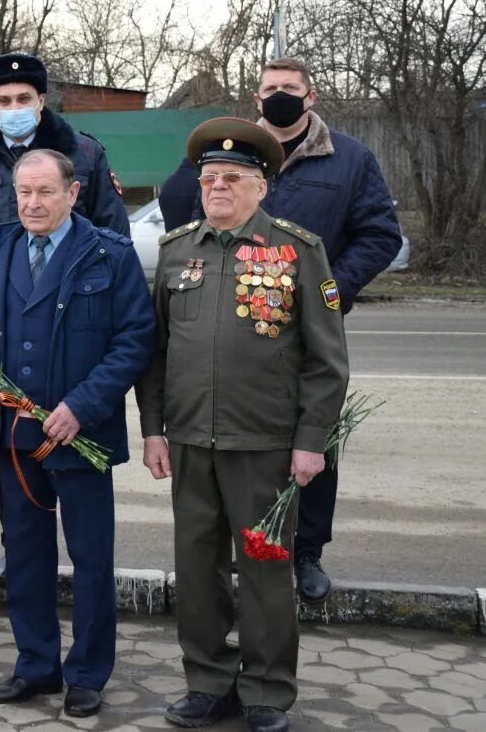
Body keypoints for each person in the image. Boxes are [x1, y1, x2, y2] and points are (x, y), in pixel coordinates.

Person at [156, 59, 400, 601]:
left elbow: (381, 233)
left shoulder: (349, 158)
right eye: (271, 90)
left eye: (291, 89)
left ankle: (306, 549)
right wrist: (217, 168)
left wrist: (329, 290)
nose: (280, 96)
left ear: (311, 97)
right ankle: (249, 547)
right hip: (238, 311)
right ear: (256, 98)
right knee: (245, 445)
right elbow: (179, 200)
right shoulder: (234, 151)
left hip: (308, 319)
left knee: (314, 438)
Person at [138, 118, 349, 732]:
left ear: (262, 187)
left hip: (264, 444)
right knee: (198, 568)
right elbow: (154, 353)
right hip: (188, 442)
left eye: (233, 178)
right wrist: (153, 429)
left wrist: (312, 443)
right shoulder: (178, 251)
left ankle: (265, 692)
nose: (218, 188)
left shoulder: (297, 251)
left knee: (264, 571)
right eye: (209, 178)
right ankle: (208, 682)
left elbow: (327, 361)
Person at [0, 149, 156, 720]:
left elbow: (135, 341)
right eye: (24, 192)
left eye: (45, 191)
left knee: (91, 559)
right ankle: (36, 665)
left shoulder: (109, 254)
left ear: (72, 194)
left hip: (80, 437)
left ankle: (88, 673)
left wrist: (82, 405)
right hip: (14, 440)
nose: (33, 202)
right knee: (24, 555)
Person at [0, 51, 130, 577]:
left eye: (24, 99)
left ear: (41, 102)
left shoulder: (83, 153)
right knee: (13, 450)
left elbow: (114, 235)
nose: (14, 107)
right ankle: (13, 542)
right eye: (3, 100)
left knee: (73, 460)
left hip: (72, 322)